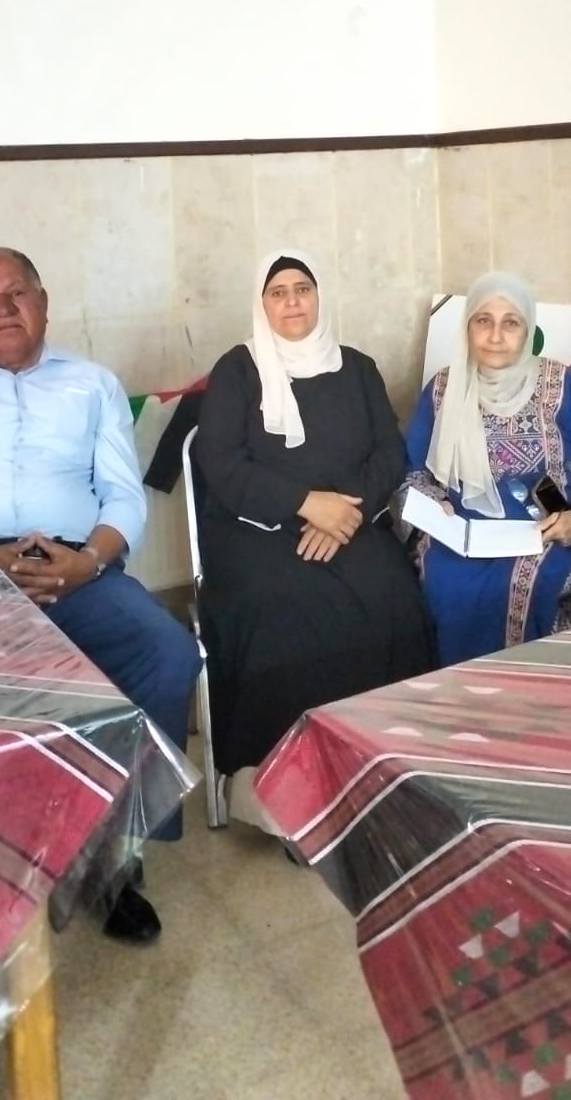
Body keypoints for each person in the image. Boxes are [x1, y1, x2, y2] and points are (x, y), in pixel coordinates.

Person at [0, 247, 201, 944]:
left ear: (43, 303)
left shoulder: (93, 384)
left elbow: (123, 496)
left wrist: (88, 562)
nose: (3, 308)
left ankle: (116, 852)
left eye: (17, 293)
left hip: (78, 567)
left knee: (169, 653)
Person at [195, 249, 434, 820]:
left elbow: (389, 451)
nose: (292, 302)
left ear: (319, 295)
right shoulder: (238, 370)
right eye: (277, 292)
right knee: (283, 606)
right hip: (257, 528)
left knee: (392, 592)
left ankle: (385, 756)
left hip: (349, 521)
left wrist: (344, 512)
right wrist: (305, 504)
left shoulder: (357, 368)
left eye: (302, 288)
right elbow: (220, 461)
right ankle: (276, 778)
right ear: (262, 304)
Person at [395, 271, 571, 666]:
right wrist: (434, 507)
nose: (495, 336)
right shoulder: (442, 389)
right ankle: (460, 691)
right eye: (483, 321)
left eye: (511, 323)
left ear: (528, 330)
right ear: (467, 327)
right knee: (444, 581)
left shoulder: (562, 386)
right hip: (461, 530)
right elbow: (412, 474)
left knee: (518, 581)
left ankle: (511, 686)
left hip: (546, 530)